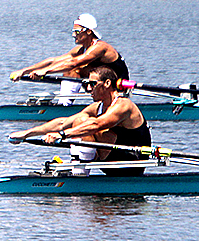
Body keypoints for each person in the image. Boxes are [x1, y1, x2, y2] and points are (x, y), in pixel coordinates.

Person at [8, 66, 150, 176]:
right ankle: (79, 168)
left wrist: (62, 135)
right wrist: (26, 133)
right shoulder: (98, 106)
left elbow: (96, 125)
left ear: (107, 83)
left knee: (85, 122)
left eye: (92, 84)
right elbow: (63, 123)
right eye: (86, 84)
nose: (88, 88)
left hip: (131, 164)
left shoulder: (124, 105)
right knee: (79, 119)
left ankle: (79, 173)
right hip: (111, 162)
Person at [9, 13, 129, 83]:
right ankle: (64, 105)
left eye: (77, 31)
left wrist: (45, 71)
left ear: (88, 31)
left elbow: (73, 63)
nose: (73, 35)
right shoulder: (80, 50)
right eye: (73, 31)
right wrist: (24, 71)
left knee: (73, 69)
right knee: (68, 68)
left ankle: (65, 104)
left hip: (117, 83)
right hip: (97, 80)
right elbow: (53, 61)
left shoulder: (100, 47)